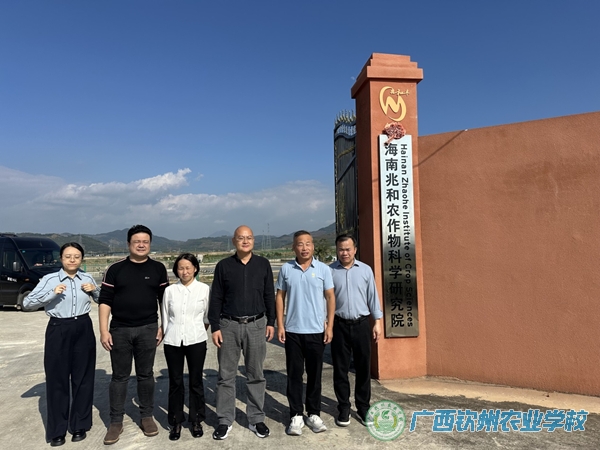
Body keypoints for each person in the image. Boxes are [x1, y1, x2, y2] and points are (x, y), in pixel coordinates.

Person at [23, 242, 99, 447]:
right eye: (68, 256)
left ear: (82, 259)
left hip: (83, 326)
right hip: (58, 328)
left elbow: (103, 299)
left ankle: (80, 425)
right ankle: (57, 430)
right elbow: (27, 303)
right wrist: (52, 293)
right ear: (61, 258)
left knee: (83, 378)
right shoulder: (49, 279)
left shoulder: (87, 278)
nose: (72, 260)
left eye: (76, 256)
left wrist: (95, 291)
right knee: (57, 380)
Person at [98, 224, 169, 445]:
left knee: (146, 374)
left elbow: (164, 301)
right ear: (128, 244)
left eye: (145, 241)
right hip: (119, 330)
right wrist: (103, 330)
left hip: (148, 328)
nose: (141, 245)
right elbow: (105, 301)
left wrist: (163, 326)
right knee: (119, 377)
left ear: (150, 244)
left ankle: (146, 416)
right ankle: (115, 421)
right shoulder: (115, 269)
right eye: (137, 241)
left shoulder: (158, 268)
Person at [208, 225, 275, 440]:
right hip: (229, 325)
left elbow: (269, 294)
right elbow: (216, 297)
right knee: (226, 375)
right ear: (234, 241)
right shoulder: (224, 266)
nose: (245, 241)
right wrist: (215, 326)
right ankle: (224, 419)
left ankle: (256, 418)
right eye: (241, 238)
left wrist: (271, 322)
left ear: (253, 240)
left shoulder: (263, 264)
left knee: (255, 374)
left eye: (249, 238)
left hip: (256, 324)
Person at [276, 230, 335, 436]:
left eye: (308, 243)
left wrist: (329, 326)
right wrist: (280, 325)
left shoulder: (323, 269)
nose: (304, 247)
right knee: (294, 375)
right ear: (294, 247)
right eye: (300, 244)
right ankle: (296, 415)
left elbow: (330, 297)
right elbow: (280, 297)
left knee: (314, 375)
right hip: (293, 330)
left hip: (316, 330)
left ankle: (313, 413)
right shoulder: (286, 269)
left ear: (313, 246)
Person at [329, 234, 383, 427]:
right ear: (337, 250)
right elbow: (325, 300)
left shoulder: (365, 270)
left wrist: (377, 322)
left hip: (361, 324)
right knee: (340, 369)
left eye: (348, 249)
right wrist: (326, 325)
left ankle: (363, 407)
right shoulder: (330, 271)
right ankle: (344, 407)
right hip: (339, 325)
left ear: (355, 250)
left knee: (363, 368)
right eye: (341, 249)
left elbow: (372, 296)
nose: (344, 253)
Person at [161, 253, 210, 440]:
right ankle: (176, 421)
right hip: (173, 341)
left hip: (196, 339)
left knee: (196, 381)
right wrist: (166, 334)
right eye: (181, 268)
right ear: (176, 270)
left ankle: (196, 419)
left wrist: (197, 330)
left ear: (195, 268)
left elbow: (207, 317)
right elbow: (165, 316)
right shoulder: (170, 291)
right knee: (175, 382)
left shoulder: (204, 289)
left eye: (188, 267)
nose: (185, 271)